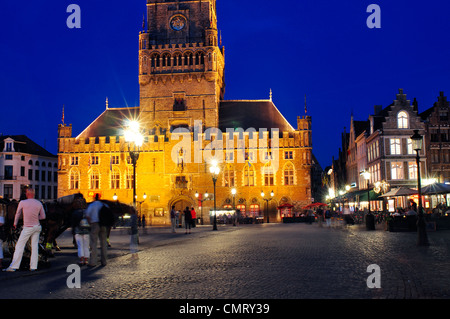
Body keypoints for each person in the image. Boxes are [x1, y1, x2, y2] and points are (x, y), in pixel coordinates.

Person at [4, 188, 45, 272]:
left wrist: (15, 223)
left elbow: (18, 214)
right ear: (33, 194)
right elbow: (43, 217)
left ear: (27, 194)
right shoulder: (39, 203)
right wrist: (36, 217)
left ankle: (13, 266)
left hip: (27, 227)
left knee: (19, 246)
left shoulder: (22, 202)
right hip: (37, 227)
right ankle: (33, 266)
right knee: (34, 246)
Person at [85, 194, 108, 267]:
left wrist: (90, 224)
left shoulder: (92, 205)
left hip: (95, 224)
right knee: (104, 243)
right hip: (103, 225)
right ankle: (104, 261)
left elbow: (88, 216)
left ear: (94, 198)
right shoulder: (104, 205)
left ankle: (93, 262)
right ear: (100, 197)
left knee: (93, 243)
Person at [71, 198, 90, 266]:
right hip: (86, 231)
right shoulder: (87, 212)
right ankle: (86, 260)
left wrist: (73, 231)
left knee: (80, 246)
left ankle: (81, 260)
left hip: (78, 231)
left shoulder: (75, 212)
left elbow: (73, 223)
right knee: (86, 246)